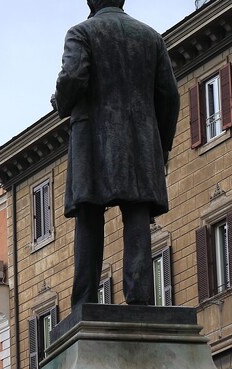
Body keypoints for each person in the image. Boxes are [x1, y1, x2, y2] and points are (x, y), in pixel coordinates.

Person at [52, 0, 179, 306]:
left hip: (93, 140)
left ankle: (84, 302)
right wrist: (159, 147)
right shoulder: (150, 37)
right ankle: (140, 299)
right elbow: (170, 96)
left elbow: (73, 77)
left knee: (89, 217)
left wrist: (61, 102)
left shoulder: (81, 33)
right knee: (136, 217)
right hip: (139, 144)